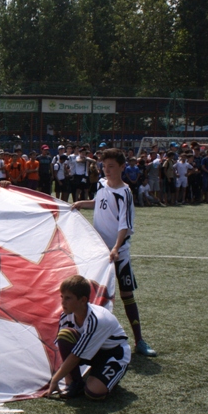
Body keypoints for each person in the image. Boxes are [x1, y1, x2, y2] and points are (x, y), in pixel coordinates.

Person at [72, 148, 156, 357]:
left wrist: (116, 248)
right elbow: (99, 205)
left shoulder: (125, 193)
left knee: (127, 294)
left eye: (111, 166)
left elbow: (124, 225)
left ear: (121, 167)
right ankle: (88, 337)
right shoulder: (101, 184)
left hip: (118, 254)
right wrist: (83, 203)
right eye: (104, 166)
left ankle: (139, 340)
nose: (106, 170)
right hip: (99, 251)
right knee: (91, 293)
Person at [46, 275, 131, 399]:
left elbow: (76, 356)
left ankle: (109, 374)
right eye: (62, 297)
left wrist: (55, 380)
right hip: (92, 353)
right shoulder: (66, 316)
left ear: (83, 300)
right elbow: (64, 348)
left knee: (94, 393)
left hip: (113, 354)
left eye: (68, 298)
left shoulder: (96, 319)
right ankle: (76, 382)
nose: (63, 302)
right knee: (65, 336)